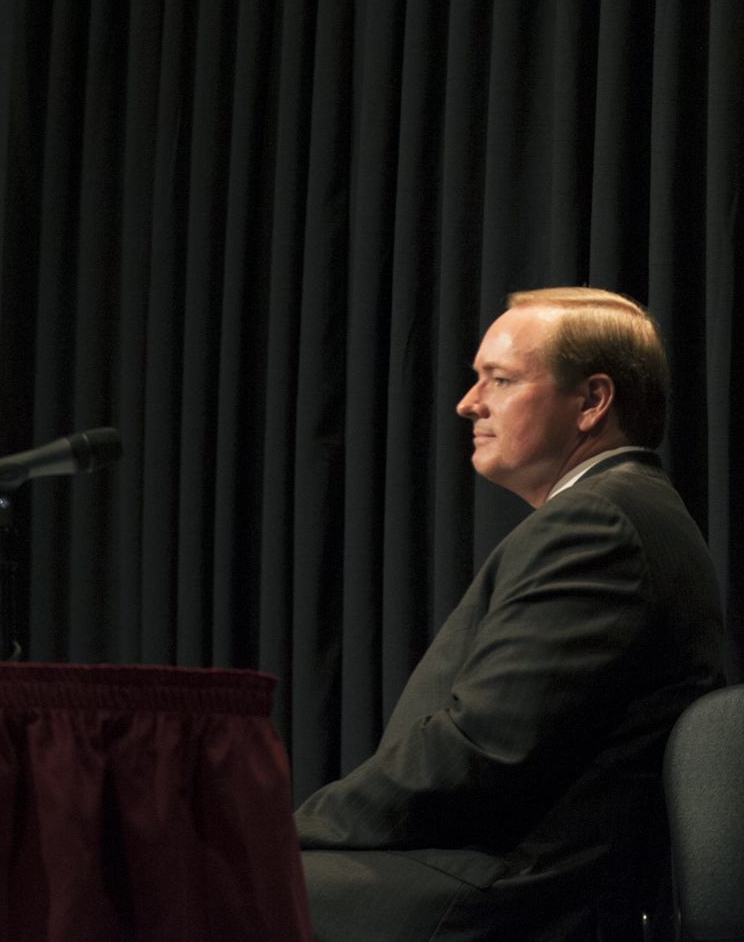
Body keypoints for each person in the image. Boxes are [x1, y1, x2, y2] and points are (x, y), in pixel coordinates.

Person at [297, 288, 725, 941]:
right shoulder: (623, 508)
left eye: (499, 379)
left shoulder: (598, 521)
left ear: (592, 400)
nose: (470, 402)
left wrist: (290, 827)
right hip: (495, 877)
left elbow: (481, 748)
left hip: (513, 898)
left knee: (202, 885)